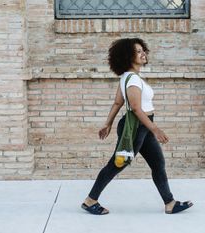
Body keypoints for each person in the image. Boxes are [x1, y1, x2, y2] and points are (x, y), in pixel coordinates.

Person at [81, 38, 193, 215]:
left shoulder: (128, 76)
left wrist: (108, 123)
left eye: (143, 50)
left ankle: (169, 203)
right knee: (117, 164)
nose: (143, 54)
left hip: (142, 127)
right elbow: (135, 108)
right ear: (128, 56)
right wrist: (156, 129)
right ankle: (90, 200)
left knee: (158, 163)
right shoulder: (132, 79)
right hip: (136, 127)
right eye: (138, 51)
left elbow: (118, 102)